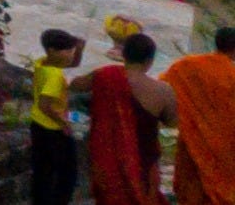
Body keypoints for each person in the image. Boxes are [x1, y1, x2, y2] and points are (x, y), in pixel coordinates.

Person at [95, 32, 171, 205]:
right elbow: (172, 121)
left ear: (123, 55)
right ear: (150, 61)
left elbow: (76, 84)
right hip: (143, 157)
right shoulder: (162, 90)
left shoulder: (105, 75)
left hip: (108, 156)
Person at [172, 27, 235, 205]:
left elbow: (165, 88)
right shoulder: (232, 76)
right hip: (223, 151)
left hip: (192, 143)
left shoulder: (188, 65)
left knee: (190, 192)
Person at [48, 31, 96, 205]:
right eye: (68, 51)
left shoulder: (53, 66)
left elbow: (72, 65)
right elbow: (46, 106)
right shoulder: (48, 72)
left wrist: (79, 50)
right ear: (52, 52)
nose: (72, 55)